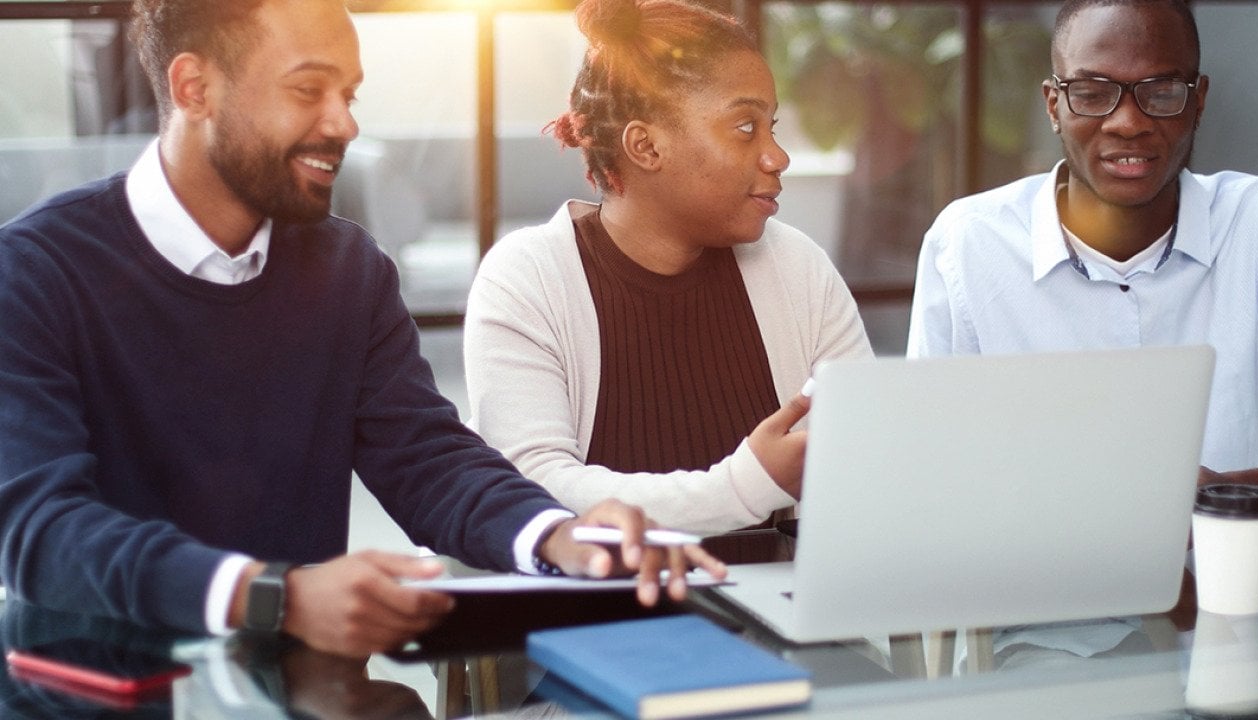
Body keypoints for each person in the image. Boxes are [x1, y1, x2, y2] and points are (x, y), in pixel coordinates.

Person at [0, 0, 724, 660]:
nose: (344, 124)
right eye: (307, 90)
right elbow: (39, 528)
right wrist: (274, 595)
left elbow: (427, 460)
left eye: (348, 95)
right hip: (85, 688)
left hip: (295, 687)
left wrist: (560, 537)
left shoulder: (347, 269)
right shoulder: (34, 272)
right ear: (195, 89)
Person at [463, 0, 873, 540]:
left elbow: (870, 464)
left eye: (770, 128)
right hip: (593, 618)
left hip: (778, 614)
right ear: (646, 145)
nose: (777, 157)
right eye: (746, 127)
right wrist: (747, 486)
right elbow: (535, 491)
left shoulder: (796, 267)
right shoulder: (528, 280)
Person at [906, 0, 1258, 489]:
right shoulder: (968, 243)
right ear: (1053, 105)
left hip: (1220, 563)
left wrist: (1219, 499)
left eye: (1162, 91)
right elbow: (928, 462)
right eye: (1091, 92)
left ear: (1199, 100)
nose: (1128, 122)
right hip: (1026, 564)